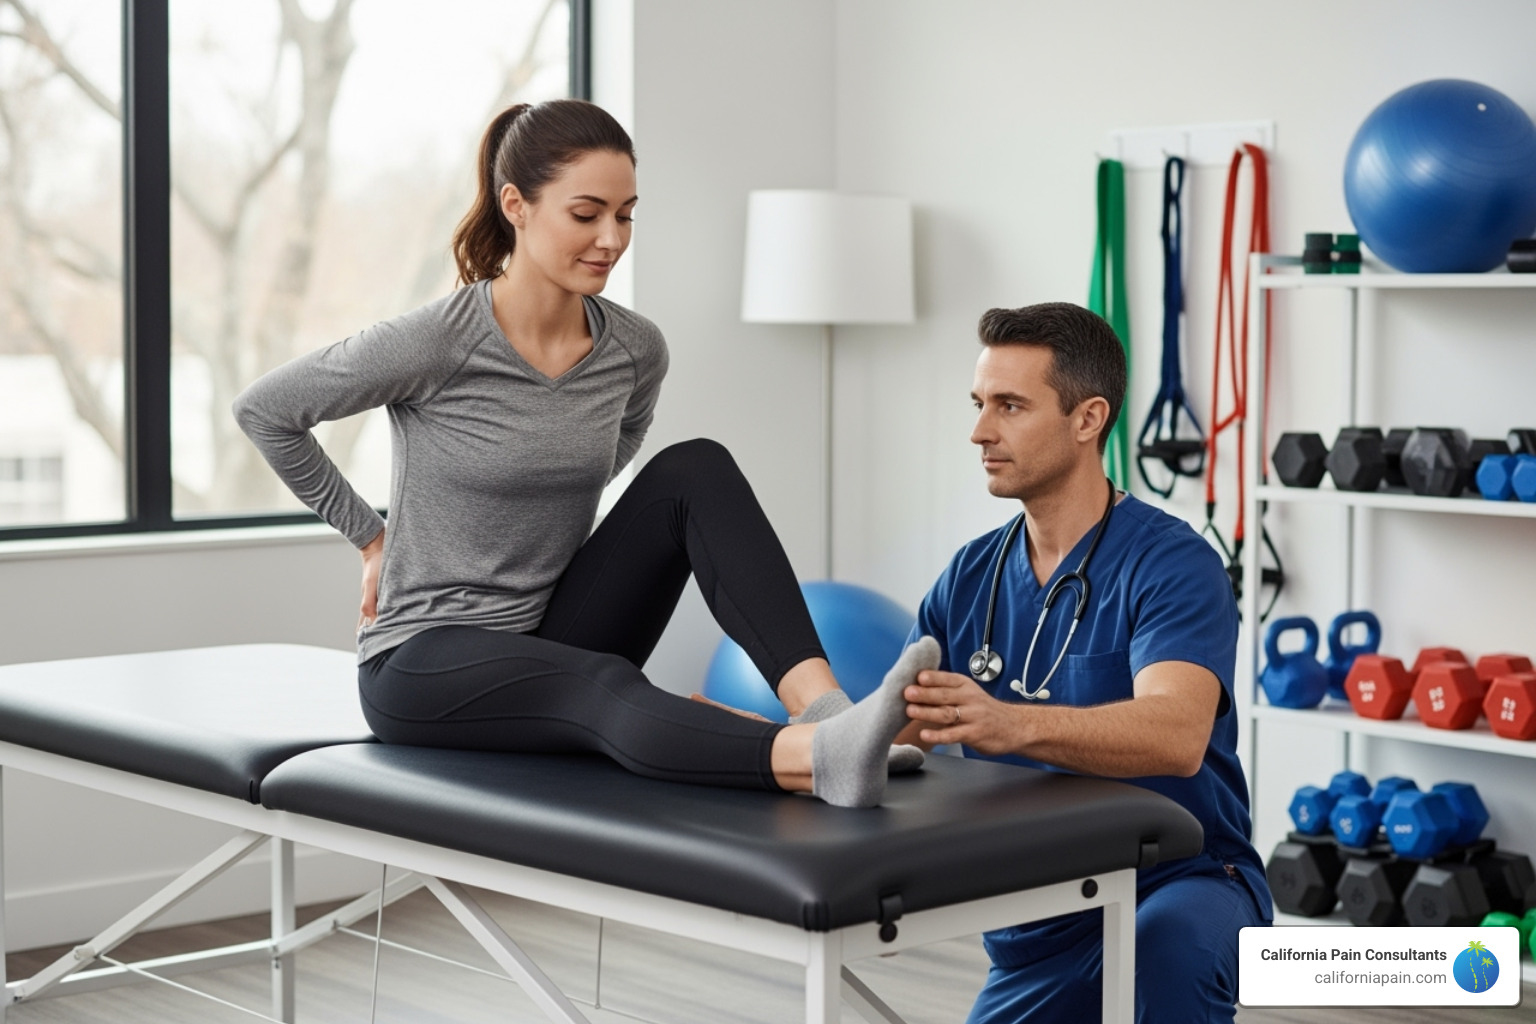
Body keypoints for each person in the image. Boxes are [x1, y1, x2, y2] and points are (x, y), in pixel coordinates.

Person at [233, 98, 928, 808]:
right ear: (518, 206)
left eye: (625, 215)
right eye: (587, 213)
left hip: (556, 632)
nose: (610, 238)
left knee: (696, 467)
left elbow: (619, 447)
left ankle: (829, 714)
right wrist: (372, 537)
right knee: (601, 684)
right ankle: (818, 759)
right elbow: (266, 410)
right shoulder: (439, 338)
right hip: (424, 662)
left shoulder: (633, 349)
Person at [897, 303, 1272, 1022]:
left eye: (1010, 406)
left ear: (1087, 418)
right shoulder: (969, 576)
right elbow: (894, 737)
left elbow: (1177, 734)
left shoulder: (1172, 562)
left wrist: (1010, 724)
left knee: (1171, 948)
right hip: (1040, 920)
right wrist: (759, 742)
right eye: (979, 405)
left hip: (1179, 882)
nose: (979, 431)